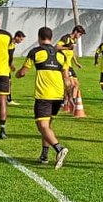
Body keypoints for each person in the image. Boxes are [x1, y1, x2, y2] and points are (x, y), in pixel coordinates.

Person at [15, 27, 70, 169]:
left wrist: (18, 74)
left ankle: (59, 149)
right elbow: (67, 78)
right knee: (47, 126)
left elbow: (23, 72)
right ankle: (44, 156)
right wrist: (68, 95)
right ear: (51, 38)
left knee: (42, 126)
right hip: (58, 95)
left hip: (44, 95)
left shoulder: (35, 52)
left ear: (39, 37)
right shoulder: (61, 55)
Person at [57, 25, 86, 112]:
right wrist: (67, 47)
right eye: (80, 34)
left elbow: (72, 51)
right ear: (76, 31)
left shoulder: (74, 40)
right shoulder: (66, 38)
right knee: (69, 84)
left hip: (69, 65)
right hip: (64, 64)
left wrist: (76, 62)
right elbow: (57, 47)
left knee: (76, 84)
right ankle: (66, 100)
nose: (80, 36)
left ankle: (70, 100)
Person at [7, 30, 26, 106]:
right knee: (6, 83)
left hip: (6, 66)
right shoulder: (10, 43)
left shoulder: (12, 44)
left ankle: (8, 99)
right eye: (21, 39)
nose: (21, 41)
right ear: (17, 37)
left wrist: (11, 64)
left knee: (8, 83)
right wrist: (11, 65)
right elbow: (8, 56)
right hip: (4, 66)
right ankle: (8, 100)